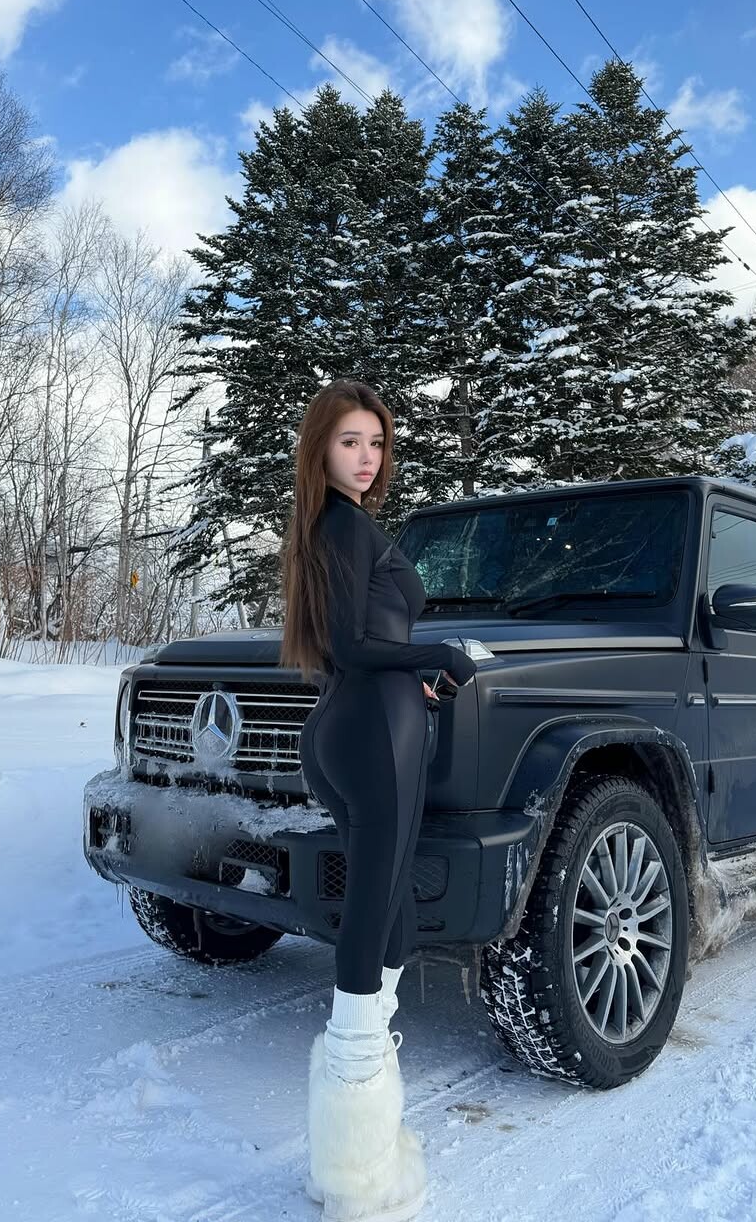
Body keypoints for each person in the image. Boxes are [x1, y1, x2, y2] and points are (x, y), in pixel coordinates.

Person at [278, 378, 477, 1222]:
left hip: (359, 723)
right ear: (321, 447)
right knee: (371, 914)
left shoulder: (329, 526)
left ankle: (366, 1142)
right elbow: (355, 645)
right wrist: (440, 654)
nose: (367, 457)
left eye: (377, 442)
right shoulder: (343, 525)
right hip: (371, 734)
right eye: (350, 441)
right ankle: (354, 1175)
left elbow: (357, 646)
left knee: (391, 915)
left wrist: (411, 676)